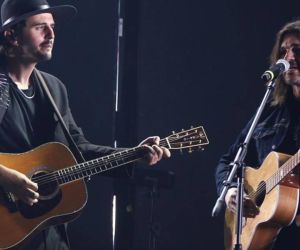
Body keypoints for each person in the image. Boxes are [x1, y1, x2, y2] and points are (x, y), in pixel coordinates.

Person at [0, 0, 171, 249]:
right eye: (40, 27)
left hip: (49, 235)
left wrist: (134, 154)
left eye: (52, 27)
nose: (51, 35)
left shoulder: (53, 89)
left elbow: (77, 148)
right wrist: (6, 177)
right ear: (12, 35)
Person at [215, 20, 300, 249]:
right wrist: (230, 190)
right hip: (266, 239)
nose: (289, 57)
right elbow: (229, 160)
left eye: (297, 49)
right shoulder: (270, 111)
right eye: (283, 51)